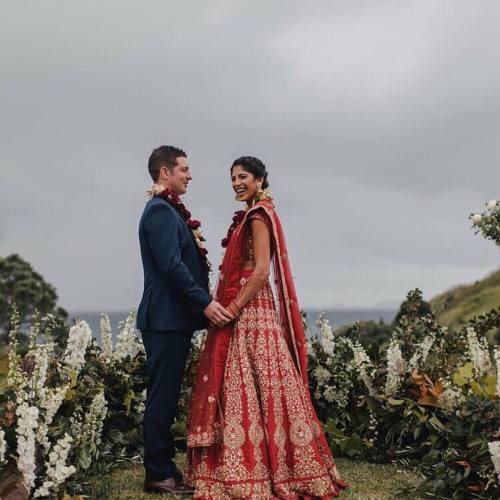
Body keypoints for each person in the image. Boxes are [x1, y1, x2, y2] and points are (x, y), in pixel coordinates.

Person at [187, 156, 347, 498]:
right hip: (250, 306)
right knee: (253, 382)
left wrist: (231, 307)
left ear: (259, 180)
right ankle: (260, 465)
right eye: (232, 178)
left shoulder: (258, 216)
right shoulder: (256, 212)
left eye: (242, 176)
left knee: (247, 380)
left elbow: (260, 271)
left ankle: (259, 469)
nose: (236, 183)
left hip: (250, 308)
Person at [137, 145, 232, 495]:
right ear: (165, 172)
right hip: (164, 320)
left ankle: (163, 468)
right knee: (162, 397)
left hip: (172, 320)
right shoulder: (160, 212)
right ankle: (157, 473)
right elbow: (171, 267)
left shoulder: (167, 210)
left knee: (167, 394)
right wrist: (206, 305)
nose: (189, 175)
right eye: (184, 169)